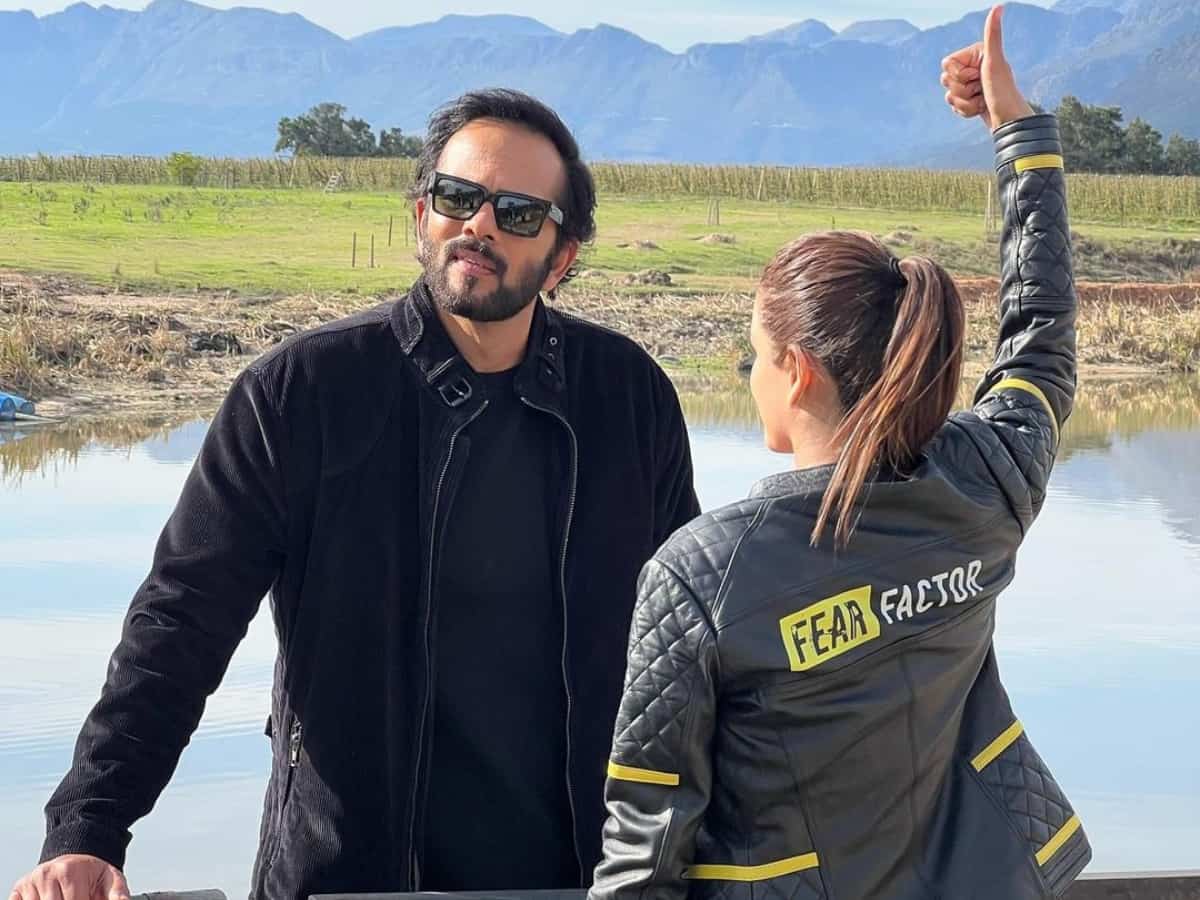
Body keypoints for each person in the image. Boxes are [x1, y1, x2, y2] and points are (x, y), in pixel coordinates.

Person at [10, 89, 699, 900]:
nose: (479, 225)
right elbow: (182, 621)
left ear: (562, 257)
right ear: (421, 214)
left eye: (517, 213)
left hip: (582, 877)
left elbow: (688, 646)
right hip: (348, 874)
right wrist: (89, 827)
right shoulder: (302, 394)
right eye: (458, 197)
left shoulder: (625, 397)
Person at [589, 8, 1090, 899]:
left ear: (800, 370)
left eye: (755, 354)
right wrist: (1019, 135)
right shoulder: (983, 484)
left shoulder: (700, 576)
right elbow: (1041, 342)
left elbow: (644, 850)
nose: (748, 373)